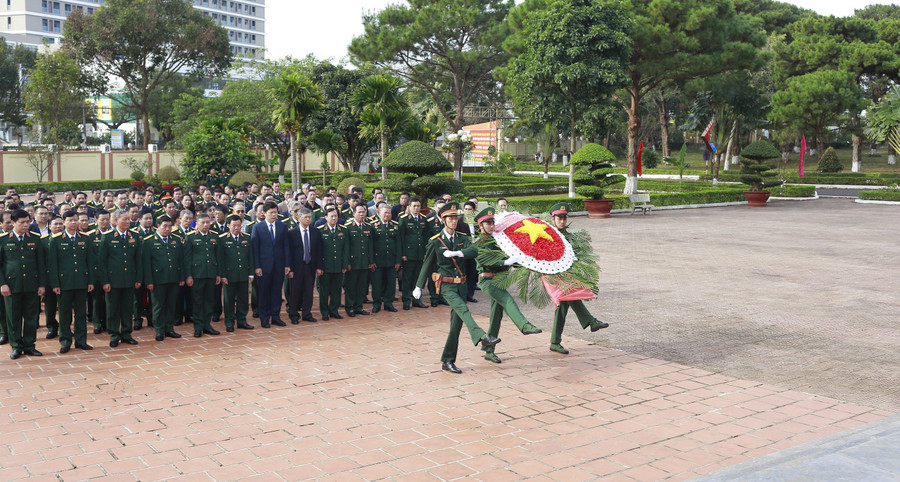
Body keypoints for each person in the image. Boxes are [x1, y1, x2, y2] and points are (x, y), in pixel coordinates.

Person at [412, 202, 500, 374]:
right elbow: (427, 264)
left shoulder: (462, 238)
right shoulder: (436, 241)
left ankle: (447, 360)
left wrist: (459, 253)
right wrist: (418, 286)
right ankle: (482, 337)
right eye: (450, 218)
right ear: (443, 220)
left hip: (462, 284)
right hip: (446, 285)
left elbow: (473, 251)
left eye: (455, 218)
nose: (454, 221)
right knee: (463, 308)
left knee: (456, 326)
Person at [472, 207, 542, 364]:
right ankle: (524, 325)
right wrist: (505, 262)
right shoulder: (479, 243)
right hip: (487, 281)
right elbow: (486, 260)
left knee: (496, 315)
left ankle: (489, 350)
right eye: (487, 223)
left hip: (500, 280)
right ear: (480, 225)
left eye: (492, 222)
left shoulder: (498, 240)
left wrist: (523, 261)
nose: (491, 225)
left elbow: (510, 257)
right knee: (507, 299)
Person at [547, 203, 608, 354]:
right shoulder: (548, 235)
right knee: (569, 298)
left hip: (567, 274)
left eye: (564, 218)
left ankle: (555, 342)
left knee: (562, 308)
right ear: (552, 219)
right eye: (559, 218)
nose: (562, 221)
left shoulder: (567, 236)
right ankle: (590, 320)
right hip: (554, 275)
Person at [1, 210, 47, 359]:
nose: (26, 224)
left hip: (31, 284)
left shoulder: (35, 238)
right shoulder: (3, 240)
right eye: (22, 222)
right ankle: (16, 346)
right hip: (11, 285)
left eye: (28, 221)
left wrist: (41, 284)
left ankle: (29, 345)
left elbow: (41, 264)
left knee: (31, 317)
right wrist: (2, 284)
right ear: (13, 222)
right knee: (13, 317)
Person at [46, 211, 95, 353]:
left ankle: (81, 341)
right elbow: (53, 265)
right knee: (64, 313)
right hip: (64, 283)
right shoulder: (55, 240)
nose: (73, 223)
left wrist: (91, 281)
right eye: (70, 220)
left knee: (81, 313)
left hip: (81, 281)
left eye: (75, 220)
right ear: (64, 222)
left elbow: (90, 262)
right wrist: (55, 284)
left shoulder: (86, 238)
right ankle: (65, 341)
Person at [98, 209, 142, 348]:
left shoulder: (134, 235)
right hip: (113, 279)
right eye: (125, 219)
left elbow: (138, 260)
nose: (128, 221)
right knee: (113, 308)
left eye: (129, 219)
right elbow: (102, 262)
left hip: (129, 278)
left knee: (127, 308)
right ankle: (114, 334)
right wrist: (105, 281)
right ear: (116, 221)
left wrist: (138, 278)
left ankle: (126, 333)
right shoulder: (107, 236)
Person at [142, 215, 184, 342]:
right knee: (158, 306)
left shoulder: (176, 240)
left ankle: (169, 329)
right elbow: (146, 264)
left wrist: (181, 277)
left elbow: (180, 261)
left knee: (171, 305)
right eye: (164, 226)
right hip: (157, 280)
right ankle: (159, 330)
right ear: (158, 226)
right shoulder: (149, 241)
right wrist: (149, 281)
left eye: (169, 226)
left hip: (173, 278)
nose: (167, 229)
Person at [251, 201, 290, 328]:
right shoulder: (258, 227)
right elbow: (255, 249)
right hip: (264, 266)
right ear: (264, 213)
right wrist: (257, 266)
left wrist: (287, 264)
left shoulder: (282, 226)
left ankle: (276, 316)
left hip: (279, 265)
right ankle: (264, 317)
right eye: (271, 212)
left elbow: (286, 247)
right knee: (263, 293)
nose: (274, 215)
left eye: (275, 212)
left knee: (276, 292)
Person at [184, 213, 221, 337]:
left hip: (211, 274)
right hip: (197, 275)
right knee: (197, 301)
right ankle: (198, 327)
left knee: (210, 300)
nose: (205, 225)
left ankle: (207, 325)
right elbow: (187, 258)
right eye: (202, 222)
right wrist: (189, 275)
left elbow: (218, 257)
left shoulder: (215, 236)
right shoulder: (190, 237)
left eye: (207, 222)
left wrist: (218, 274)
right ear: (197, 224)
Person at [218, 214, 255, 332]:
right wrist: (223, 275)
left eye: (239, 225)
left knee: (243, 299)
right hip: (229, 275)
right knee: (229, 300)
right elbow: (221, 260)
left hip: (243, 273)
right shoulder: (222, 239)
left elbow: (250, 257)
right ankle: (229, 322)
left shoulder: (246, 238)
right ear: (228, 225)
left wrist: (251, 273)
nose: (236, 228)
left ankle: (242, 321)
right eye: (234, 226)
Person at [286, 208, 322, 323]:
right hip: (296, 267)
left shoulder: (315, 232)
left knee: (308, 291)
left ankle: (307, 314)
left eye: (309, 217)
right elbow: (289, 252)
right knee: (295, 292)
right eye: (305, 217)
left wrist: (319, 267)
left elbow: (319, 251)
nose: (308, 219)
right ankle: (294, 315)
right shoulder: (292, 233)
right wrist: (289, 268)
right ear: (298, 218)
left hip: (310, 266)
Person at [398, 196, 430, 311]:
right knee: (407, 279)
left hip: (419, 253)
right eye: (414, 206)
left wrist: (426, 252)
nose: (416, 208)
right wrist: (402, 254)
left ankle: (417, 300)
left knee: (418, 278)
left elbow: (425, 237)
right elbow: (401, 238)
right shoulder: (404, 219)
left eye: (418, 206)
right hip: (408, 254)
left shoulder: (423, 219)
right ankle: (406, 300)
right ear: (409, 207)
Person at [317, 208, 348, 321]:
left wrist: (345, 265)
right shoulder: (320, 230)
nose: (334, 218)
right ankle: (324, 312)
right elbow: (318, 251)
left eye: (336, 216)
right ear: (326, 217)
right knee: (324, 291)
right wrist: (319, 266)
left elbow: (346, 250)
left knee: (336, 290)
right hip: (326, 266)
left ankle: (334, 310)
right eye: (332, 216)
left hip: (338, 265)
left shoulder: (343, 230)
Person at [344, 205, 374, 317]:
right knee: (351, 286)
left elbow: (370, 246)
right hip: (353, 262)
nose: (362, 214)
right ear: (354, 213)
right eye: (359, 212)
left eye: (363, 212)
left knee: (362, 286)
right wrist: (347, 263)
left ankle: (359, 306)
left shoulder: (368, 227)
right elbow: (346, 247)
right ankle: (350, 307)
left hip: (364, 262)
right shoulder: (347, 227)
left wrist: (371, 261)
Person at [370, 204, 400, 313]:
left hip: (391, 260)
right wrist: (372, 261)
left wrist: (398, 261)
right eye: (385, 213)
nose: (387, 215)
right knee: (377, 284)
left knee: (391, 284)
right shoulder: (373, 226)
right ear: (379, 213)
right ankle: (376, 303)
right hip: (378, 261)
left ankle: (388, 303)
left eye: (389, 213)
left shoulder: (395, 225)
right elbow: (370, 245)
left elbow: (398, 244)